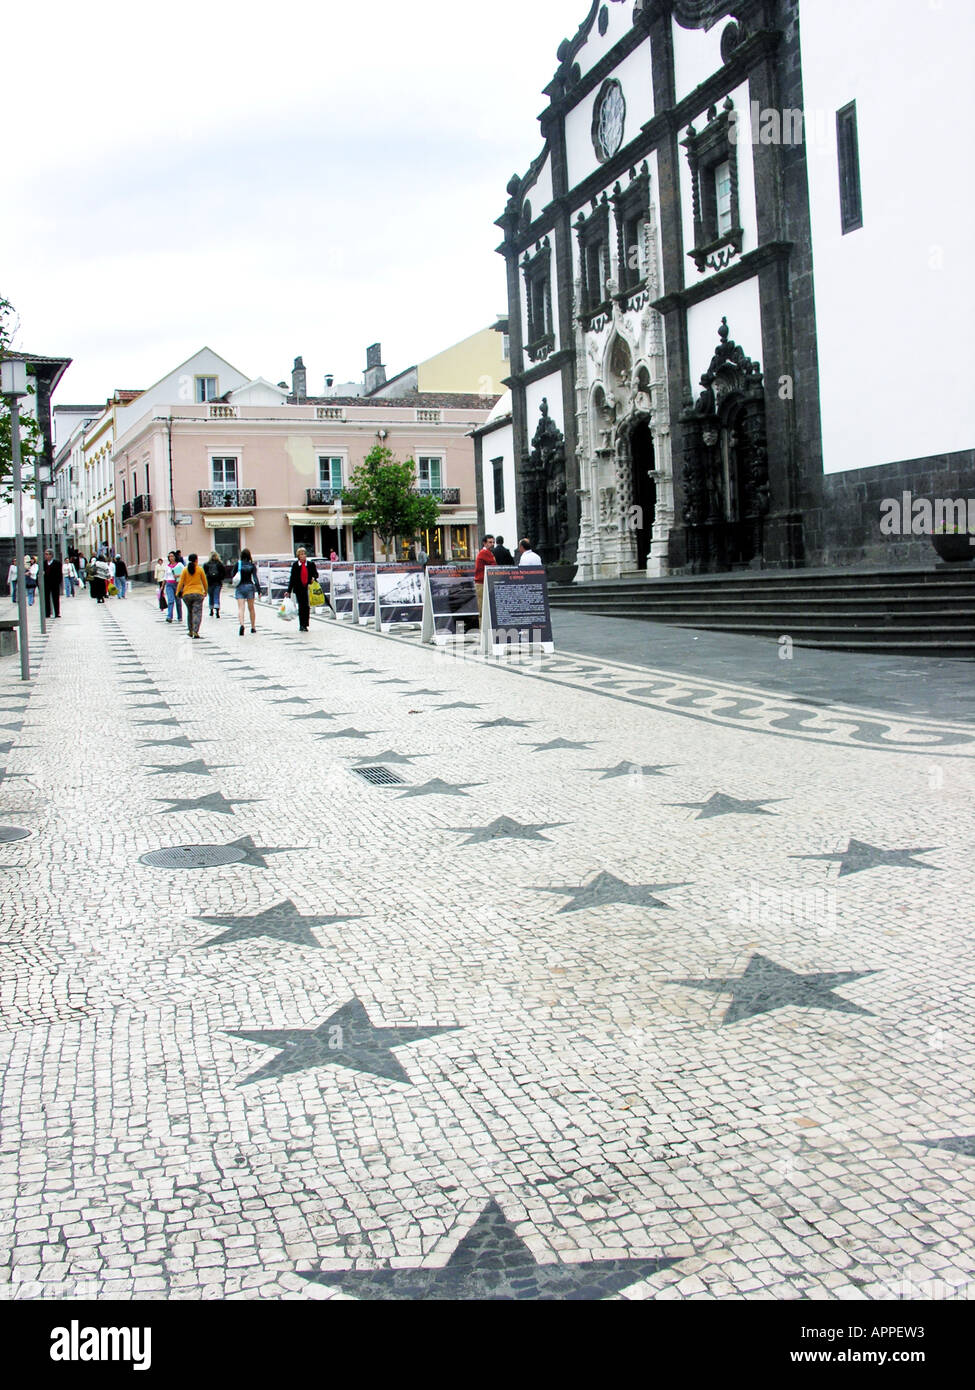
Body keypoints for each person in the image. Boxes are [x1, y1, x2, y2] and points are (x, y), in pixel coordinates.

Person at [287, 547, 319, 633]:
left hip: (307, 587)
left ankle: (306, 624)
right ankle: (302, 625)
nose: (303, 556)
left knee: (306, 606)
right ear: (298, 556)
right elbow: (292, 578)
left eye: (304, 554)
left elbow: (316, 574)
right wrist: (288, 591)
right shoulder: (295, 565)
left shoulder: (310, 564)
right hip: (298, 588)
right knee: (301, 606)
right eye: (301, 554)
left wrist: (313, 578)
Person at [175, 553, 207, 637]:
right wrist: (205, 591)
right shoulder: (200, 569)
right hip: (198, 594)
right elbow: (204, 582)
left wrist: (177, 592)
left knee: (190, 612)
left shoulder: (185, 570)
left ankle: (190, 631)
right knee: (197, 612)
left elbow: (181, 582)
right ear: (196, 560)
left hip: (187, 594)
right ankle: (196, 631)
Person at [232, 547, 261, 635]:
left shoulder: (238, 564)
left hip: (240, 586)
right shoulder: (252, 565)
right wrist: (259, 590)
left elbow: (233, 574)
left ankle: (242, 624)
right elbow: (255, 578)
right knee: (251, 608)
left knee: (241, 608)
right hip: (249, 586)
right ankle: (253, 627)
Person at [474, 535, 496, 616]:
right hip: (482, 583)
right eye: (490, 542)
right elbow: (494, 566)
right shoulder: (485, 553)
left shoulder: (487, 552)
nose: (492, 544)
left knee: (483, 607)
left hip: (483, 582)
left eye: (493, 542)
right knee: (482, 608)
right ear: (484, 543)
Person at [204, 551, 226, 618]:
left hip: (209, 582)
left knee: (211, 596)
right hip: (218, 582)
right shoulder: (220, 564)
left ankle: (211, 610)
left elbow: (204, 573)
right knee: (216, 596)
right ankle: (217, 611)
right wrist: (221, 579)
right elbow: (224, 573)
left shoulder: (206, 564)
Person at [44, 551, 62, 618]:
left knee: (56, 598)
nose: (46, 556)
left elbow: (59, 574)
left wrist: (58, 582)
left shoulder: (57, 563)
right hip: (46, 584)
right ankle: (47, 613)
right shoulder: (43, 563)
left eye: (47, 554)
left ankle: (57, 613)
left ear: (51, 555)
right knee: (46, 599)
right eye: (45, 554)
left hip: (54, 584)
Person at [162, 551, 179, 621]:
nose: (171, 558)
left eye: (172, 556)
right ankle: (169, 616)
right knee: (170, 600)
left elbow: (184, 574)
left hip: (177, 584)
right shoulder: (167, 567)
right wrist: (162, 587)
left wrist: (177, 575)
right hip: (169, 585)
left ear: (175, 557)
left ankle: (180, 616)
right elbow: (165, 577)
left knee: (178, 601)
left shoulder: (179, 565)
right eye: (169, 556)